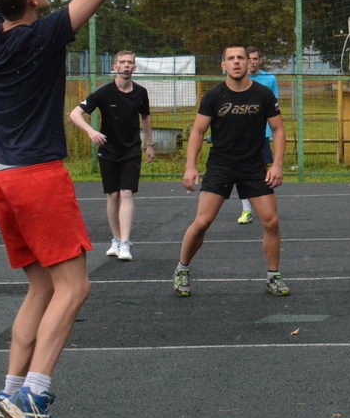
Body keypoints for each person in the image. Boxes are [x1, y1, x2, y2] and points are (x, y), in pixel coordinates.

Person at [0, 0, 114, 418]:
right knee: (75, 286)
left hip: (1, 178)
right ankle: (34, 396)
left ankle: (9, 390)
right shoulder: (42, 35)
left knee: (41, 286)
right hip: (36, 176)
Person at [173, 44, 288, 298]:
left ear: (249, 63)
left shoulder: (263, 94)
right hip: (221, 166)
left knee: (271, 221)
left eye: (241, 58)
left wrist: (277, 164)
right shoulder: (214, 96)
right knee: (202, 222)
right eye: (230, 58)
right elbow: (198, 132)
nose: (236, 62)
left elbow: (279, 130)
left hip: (253, 166)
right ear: (223, 65)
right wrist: (190, 166)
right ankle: (182, 268)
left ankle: (273, 277)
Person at [69, 50, 154, 261]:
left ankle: (125, 243)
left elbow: (145, 117)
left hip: (131, 150)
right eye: (122, 63)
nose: (126, 66)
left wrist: (149, 143)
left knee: (127, 193)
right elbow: (74, 114)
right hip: (108, 150)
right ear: (115, 67)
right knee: (113, 195)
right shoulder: (104, 92)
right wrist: (91, 131)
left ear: (134, 67)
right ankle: (115, 239)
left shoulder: (141, 93)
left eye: (130, 63)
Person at [237, 46, 279, 224]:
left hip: (262, 136)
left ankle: (266, 207)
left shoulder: (269, 79)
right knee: (240, 172)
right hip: (240, 136)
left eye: (255, 58)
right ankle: (246, 210)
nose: (252, 62)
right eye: (250, 58)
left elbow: (275, 109)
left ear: (260, 60)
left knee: (261, 173)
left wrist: (271, 131)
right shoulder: (239, 78)